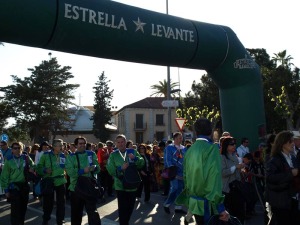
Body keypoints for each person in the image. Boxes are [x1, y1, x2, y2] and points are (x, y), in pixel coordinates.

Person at [176, 118, 229, 225]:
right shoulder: (212, 149)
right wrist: (220, 207)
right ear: (210, 131)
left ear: (196, 131)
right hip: (208, 204)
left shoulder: (189, 150)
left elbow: (186, 177)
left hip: (194, 202)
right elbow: (213, 179)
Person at [106, 134, 144, 225]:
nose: (120, 144)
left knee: (130, 207)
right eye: (118, 142)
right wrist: (120, 169)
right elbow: (110, 169)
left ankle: (125, 222)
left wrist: (135, 159)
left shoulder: (133, 151)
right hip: (120, 185)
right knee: (123, 208)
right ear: (116, 144)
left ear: (125, 142)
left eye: (122, 141)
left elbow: (141, 163)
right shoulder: (113, 155)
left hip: (132, 184)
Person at [65, 136, 101, 225]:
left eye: (84, 143)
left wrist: (95, 168)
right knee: (76, 215)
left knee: (93, 214)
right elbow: (70, 172)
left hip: (90, 188)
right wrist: (83, 171)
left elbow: (98, 168)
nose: (82, 145)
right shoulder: (71, 157)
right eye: (80, 143)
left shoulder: (91, 154)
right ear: (76, 145)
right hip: (76, 189)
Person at [265, 131, 299, 225]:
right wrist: (290, 173)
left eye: (293, 141)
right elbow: (270, 178)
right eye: (290, 141)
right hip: (281, 202)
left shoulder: (292, 157)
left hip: (292, 199)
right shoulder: (275, 159)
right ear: (282, 143)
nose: (293, 143)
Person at [0, 142, 34, 225]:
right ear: (12, 150)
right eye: (15, 148)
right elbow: (4, 176)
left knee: (23, 209)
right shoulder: (9, 160)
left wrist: (32, 168)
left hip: (24, 186)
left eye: (19, 148)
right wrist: (6, 190)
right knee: (15, 210)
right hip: (14, 187)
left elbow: (33, 165)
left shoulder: (25, 157)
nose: (17, 149)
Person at [36, 139, 67, 225]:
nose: (61, 147)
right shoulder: (45, 155)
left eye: (62, 145)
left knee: (61, 203)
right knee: (48, 203)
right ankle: (46, 219)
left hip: (61, 181)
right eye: (59, 145)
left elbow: (66, 167)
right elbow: (38, 168)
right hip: (49, 181)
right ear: (53, 146)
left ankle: (60, 220)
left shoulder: (63, 155)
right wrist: (45, 170)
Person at [221, 136, 246, 224]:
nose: (234, 146)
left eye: (235, 144)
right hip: (228, 189)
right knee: (230, 213)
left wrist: (241, 169)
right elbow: (223, 173)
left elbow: (237, 172)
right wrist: (235, 167)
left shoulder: (235, 156)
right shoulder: (222, 157)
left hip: (237, 188)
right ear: (226, 146)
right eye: (231, 144)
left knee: (240, 212)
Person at [163, 132, 187, 214]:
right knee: (175, 188)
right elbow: (167, 159)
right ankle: (166, 204)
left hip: (182, 172)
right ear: (175, 139)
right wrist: (170, 167)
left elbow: (186, 159)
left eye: (181, 138)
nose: (181, 139)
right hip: (173, 171)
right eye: (179, 138)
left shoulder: (184, 148)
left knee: (180, 190)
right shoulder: (169, 148)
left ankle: (178, 207)